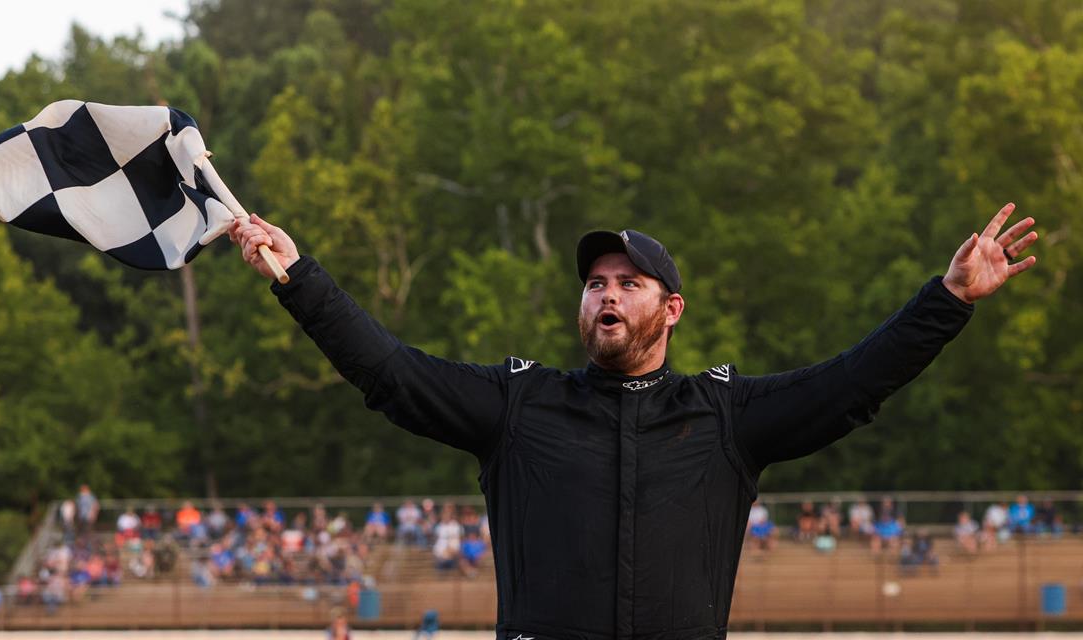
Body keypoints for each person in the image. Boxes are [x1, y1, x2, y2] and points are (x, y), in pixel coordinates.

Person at [231, 203, 1038, 639]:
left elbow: (852, 384)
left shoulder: (725, 416)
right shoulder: (519, 404)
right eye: (594, 283)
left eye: (629, 281)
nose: (606, 293)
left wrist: (947, 300)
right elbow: (393, 375)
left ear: (671, 308)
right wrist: (300, 279)